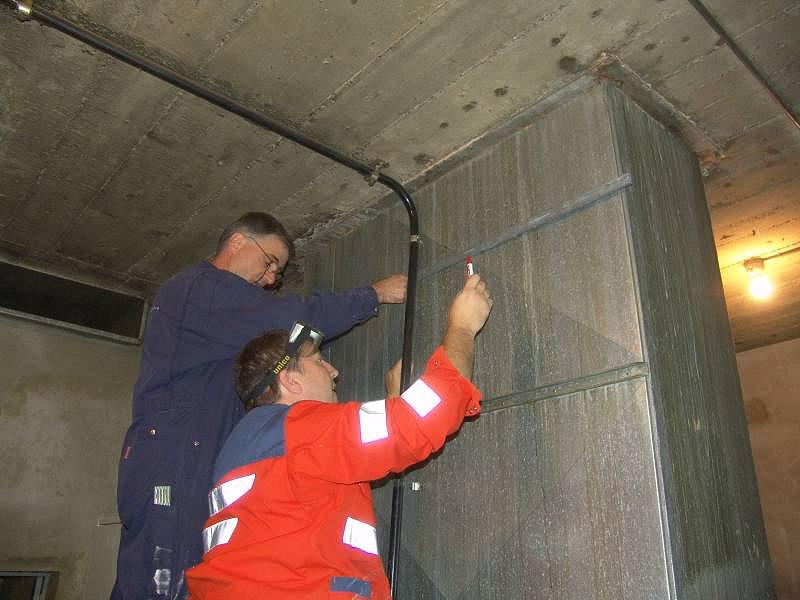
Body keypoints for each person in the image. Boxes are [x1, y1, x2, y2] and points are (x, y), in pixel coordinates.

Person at [111, 212, 407, 600]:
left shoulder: (215, 320)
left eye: (276, 273)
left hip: (185, 452)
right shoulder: (201, 288)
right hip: (173, 457)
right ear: (237, 242)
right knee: (164, 575)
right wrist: (373, 294)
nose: (269, 279)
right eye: (269, 263)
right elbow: (292, 325)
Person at [185, 274, 493, 599]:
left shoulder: (245, 446)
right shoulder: (296, 428)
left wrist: (394, 405)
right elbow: (425, 416)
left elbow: (332, 477)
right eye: (319, 362)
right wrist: (462, 326)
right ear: (290, 381)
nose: (334, 371)